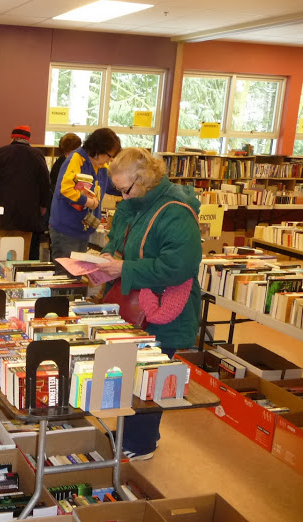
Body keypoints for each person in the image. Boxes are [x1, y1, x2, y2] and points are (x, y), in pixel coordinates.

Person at [99, 147, 202, 460]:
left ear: (144, 180)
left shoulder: (176, 211)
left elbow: (179, 266)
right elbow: (123, 244)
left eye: (125, 189)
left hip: (164, 309)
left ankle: (142, 443)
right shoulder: (135, 204)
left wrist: (124, 269)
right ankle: (128, 434)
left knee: (149, 375)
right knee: (129, 371)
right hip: (135, 303)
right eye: (117, 190)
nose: (123, 196)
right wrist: (108, 257)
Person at [49, 127, 121, 261]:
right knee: (67, 276)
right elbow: (65, 190)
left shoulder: (101, 167)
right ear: (99, 150)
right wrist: (88, 202)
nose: (109, 160)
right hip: (66, 230)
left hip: (83, 230)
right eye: (109, 156)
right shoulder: (76, 159)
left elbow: (109, 185)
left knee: (77, 274)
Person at [0, 125, 50, 260]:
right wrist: (43, 205)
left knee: (0, 251)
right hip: (28, 215)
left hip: (2, 213)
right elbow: (45, 183)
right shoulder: (37, 155)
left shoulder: (1, 152)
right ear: (28, 139)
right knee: (22, 253)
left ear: (12, 137)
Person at [30, 132, 82, 260]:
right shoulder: (69, 164)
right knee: (65, 256)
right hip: (65, 216)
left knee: (59, 254)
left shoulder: (59, 163)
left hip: (57, 215)